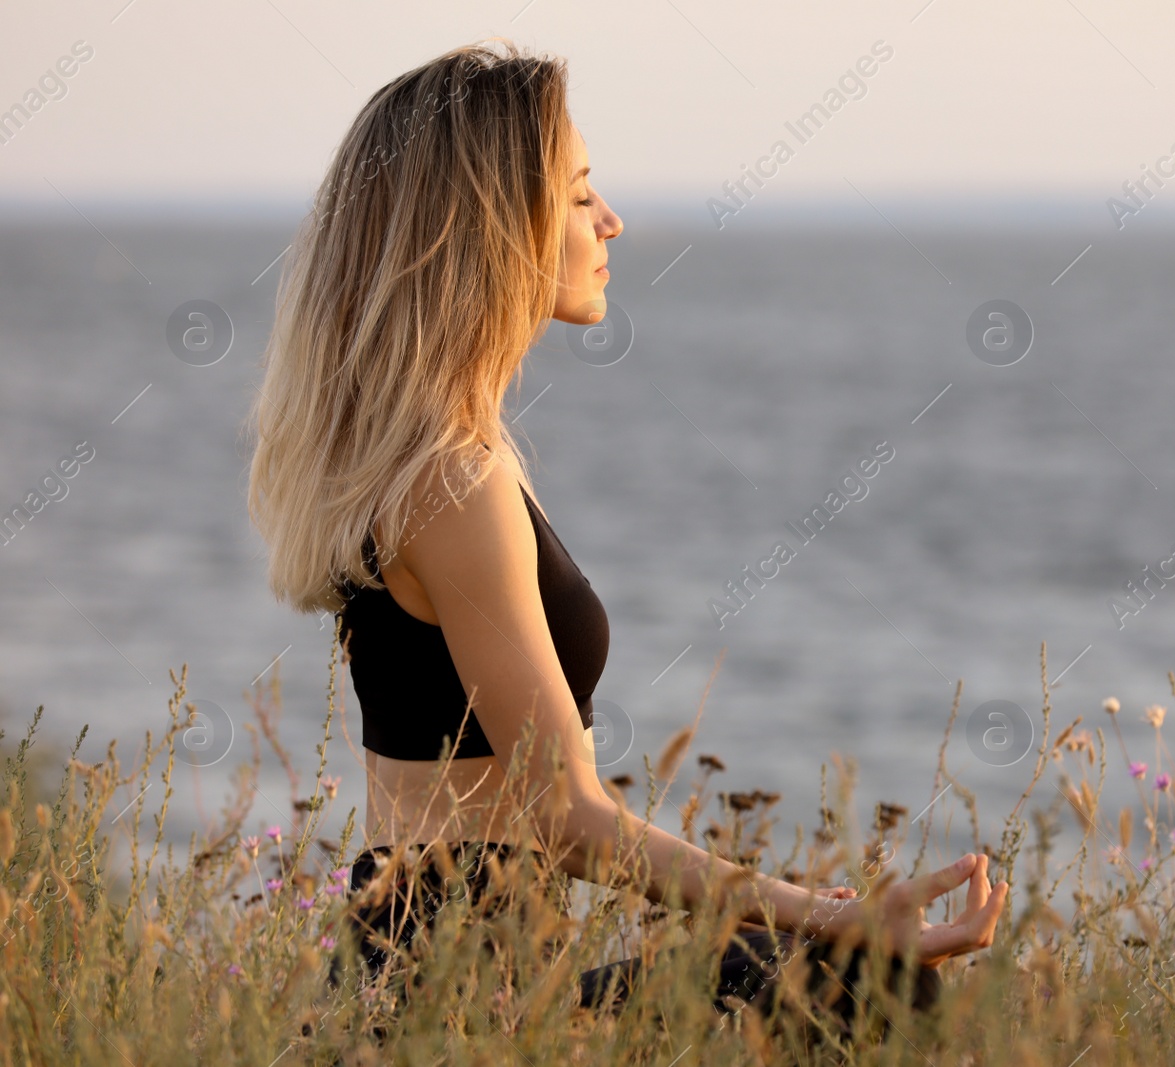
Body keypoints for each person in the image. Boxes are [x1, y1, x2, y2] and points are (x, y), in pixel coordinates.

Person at [245, 38, 1007, 1035]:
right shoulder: (451, 482)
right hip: (457, 1008)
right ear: (490, 225)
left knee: (825, 973)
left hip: (453, 984)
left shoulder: (431, 463)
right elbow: (566, 814)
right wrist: (842, 913)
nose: (612, 221)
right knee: (866, 981)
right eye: (578, 194)